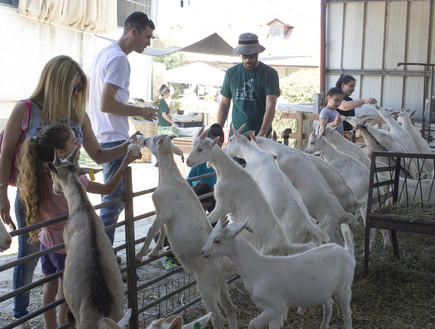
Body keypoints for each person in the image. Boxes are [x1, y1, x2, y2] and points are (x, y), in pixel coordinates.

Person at [0, 55, 134, 328]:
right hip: (33, 198)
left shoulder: (77, 115)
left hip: (67, 201)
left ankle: (60, 320)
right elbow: (4, 155)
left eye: (79, 89)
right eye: (73, 88)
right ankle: (20, 315)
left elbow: (96, 154)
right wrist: (1, 194)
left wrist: (128, 147)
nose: (76, 94)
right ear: (56, 83)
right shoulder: (25, 110)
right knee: (28, 257)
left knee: (64, 270)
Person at [17, 124, 138, 329]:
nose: (78, 144)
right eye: (74, 142)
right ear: (61, 152)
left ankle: (51, 327)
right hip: (70, 247)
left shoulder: (35, 178)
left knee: (49, 290)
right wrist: (125, 162)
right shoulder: (73, 178)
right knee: (66, 295)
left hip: (47, 243)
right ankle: (64, 324)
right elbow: (108, 188)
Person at [88, 11, 158, 245]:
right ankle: (102, 258)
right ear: (133, 32)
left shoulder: (106, 53)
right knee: (113, 204)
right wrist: (141, 111)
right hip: (112, 138)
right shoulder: (119, 59)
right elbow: (106, 104)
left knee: (116, 201)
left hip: (105, 134)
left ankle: (106, 256)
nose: (148, 43)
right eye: (147, 37)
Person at [217, 32, 280, 137]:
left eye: (252, 56)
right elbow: (224, 103)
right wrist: (218, 131)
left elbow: (271, 105)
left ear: (257, 54)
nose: (248, 59)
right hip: (236, 135)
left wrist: (262, 133)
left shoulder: (270, 74)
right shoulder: (231, 73)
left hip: (260, 135)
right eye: (244, 56)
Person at [186, 123, 224, 188]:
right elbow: (188, 181)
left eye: (219, 141)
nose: (216, 145)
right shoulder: (200, 163)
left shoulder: (224, 163)